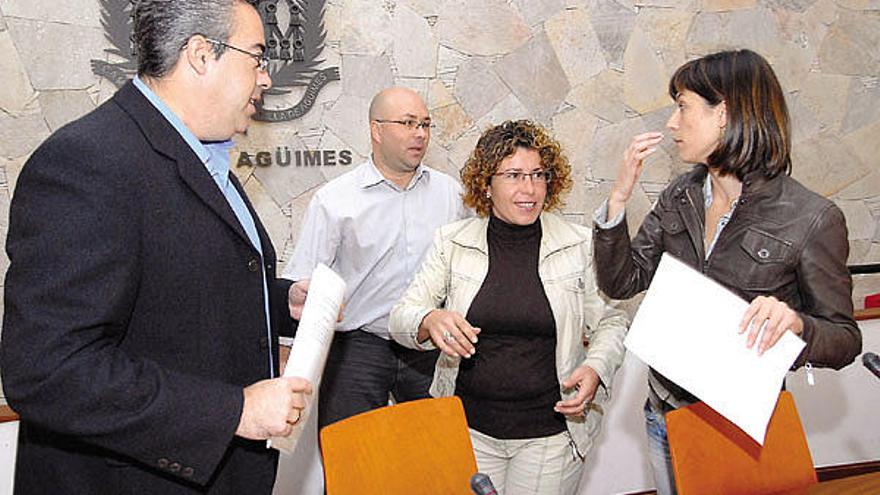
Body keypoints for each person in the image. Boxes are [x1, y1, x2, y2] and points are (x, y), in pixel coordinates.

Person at [0, 1, 312, 493]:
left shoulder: (200, 154)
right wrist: (235, 411)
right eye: (256, 57)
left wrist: (280, 300)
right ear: (201, 54)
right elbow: (48, 369)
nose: (266, 78)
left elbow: (174, 285)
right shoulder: (89, 161)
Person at [592, 49, 862, 495]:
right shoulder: (680, 195)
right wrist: (618, 201)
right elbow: (622, 281)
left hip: (739, 433)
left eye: (683, 106)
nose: (672, 123)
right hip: (663, 414)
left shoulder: (811, 217)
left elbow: (844, 339)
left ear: (725, 114)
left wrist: (797, 324)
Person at [389, 120, 629, 494]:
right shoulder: (452, 243)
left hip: (550, 436)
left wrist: (596, 367)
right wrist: (429, 318)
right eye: (514, 175)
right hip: (467, 430)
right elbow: (401, 317)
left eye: (538, 175)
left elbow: (612, 321)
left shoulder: (578, 244)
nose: (529, 189)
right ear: (486, 184)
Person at [284, 87, 468, 428]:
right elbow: (303, 283)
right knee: (350, 453)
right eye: (408, 123)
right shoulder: (334, 200)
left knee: (438, 451)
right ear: (376, 129)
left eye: (425, 124)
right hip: (358, 349)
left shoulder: (452, 194)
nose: (420, 134)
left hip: (428, 346)